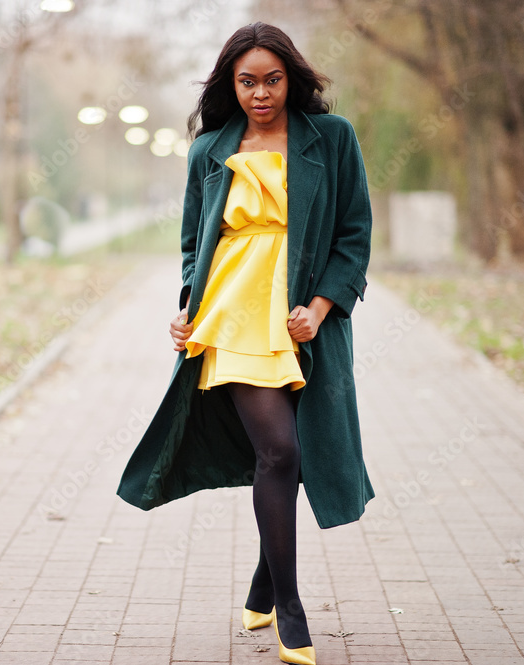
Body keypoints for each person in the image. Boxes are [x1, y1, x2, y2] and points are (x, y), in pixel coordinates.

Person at [117, 22, 374, 665]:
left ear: (293, 77)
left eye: (272, 80)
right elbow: (191, 245)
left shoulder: (332, 140)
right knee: (280, 449)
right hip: (231, 313)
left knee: (294, 453)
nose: (261, 93)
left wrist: (319, 310)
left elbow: (354, 236)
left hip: (297, 319)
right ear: (231, 85)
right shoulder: (210, 150)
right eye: (248, 82)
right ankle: (289, 606)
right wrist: (186, 309)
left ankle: (263, 580)